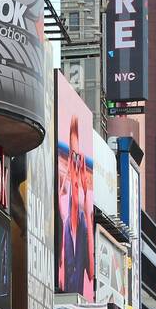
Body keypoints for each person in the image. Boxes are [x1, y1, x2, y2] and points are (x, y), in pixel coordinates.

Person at [58, 114, 91, 295]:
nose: (76, 166)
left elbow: (92, 273)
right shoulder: (65, 215)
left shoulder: (83, 223)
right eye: (73, 158)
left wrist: (86, 195)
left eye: (79, 160)